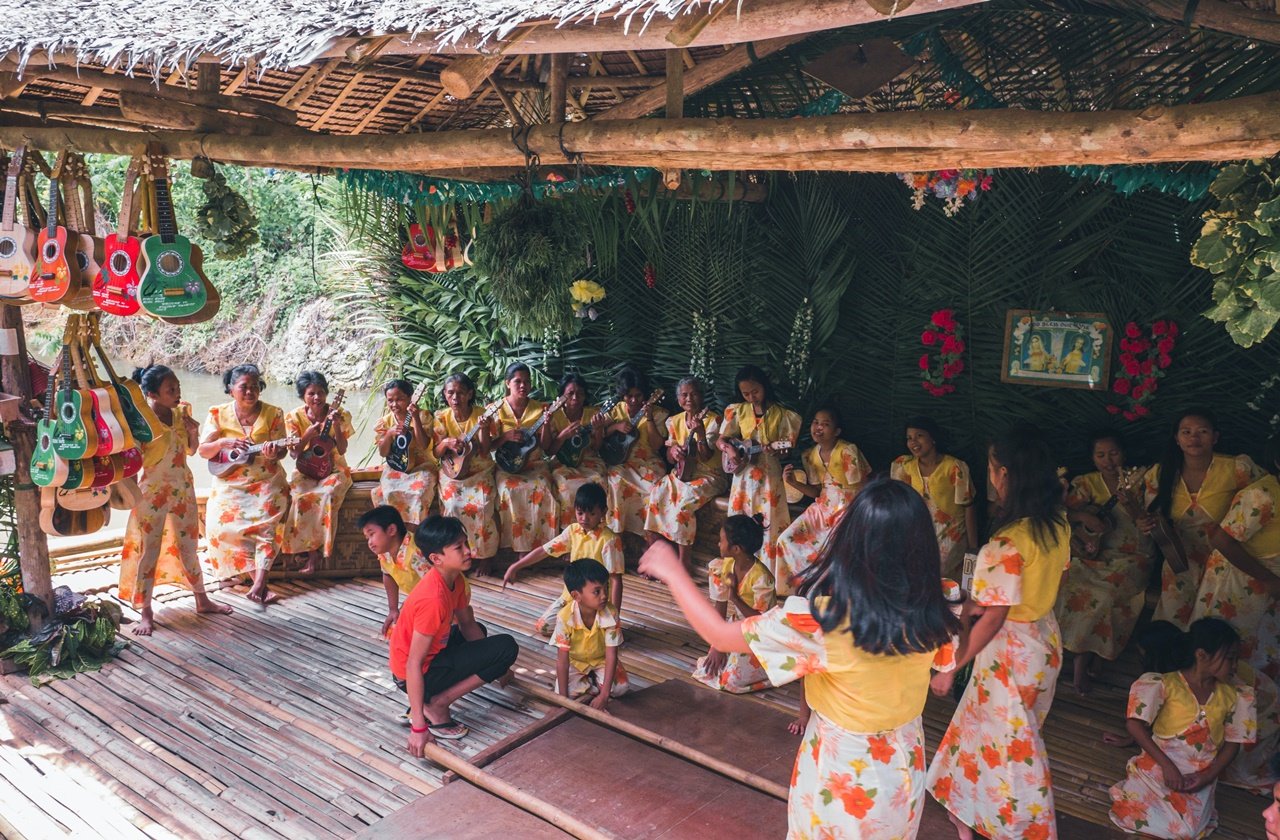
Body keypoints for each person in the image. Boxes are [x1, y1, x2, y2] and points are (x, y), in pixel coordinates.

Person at [640, 478, 960, 839]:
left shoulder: (825, 622)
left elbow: (719, 635)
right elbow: (945, 663)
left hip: (842, 767)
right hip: (902, 765)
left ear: (851, 542)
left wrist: (672, 570)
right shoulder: (938, 603)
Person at [926, 424, 1070, 840]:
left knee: (1011, 746)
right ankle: (965, 809)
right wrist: (976, 604)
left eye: (991, 468)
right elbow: (1028, 590)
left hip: (1008, 652)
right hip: (1043, 642)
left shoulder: (1004, 544)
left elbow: (994, 618)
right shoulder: (1057, 526)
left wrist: (950, 667)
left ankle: (1019, 827)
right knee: (986, 732)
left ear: (1004, 474)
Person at [1109, 618, 1256, 839]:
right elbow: (1135, 724)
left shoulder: (1237, 695)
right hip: (1158, 764)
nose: (1235, 666)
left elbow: (1233, 744)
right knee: (1136, 815)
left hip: (1199, 773)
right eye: (1230, 658)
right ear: (1201, 655)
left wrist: (1208, 776)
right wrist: (1167, 766)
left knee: (1188, 831)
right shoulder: (1164, 684)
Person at [118, 365, 232, 634]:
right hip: (151, 493)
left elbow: (191, 451)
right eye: (171, 389)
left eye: (178, 387)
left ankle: (202, 599)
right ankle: (145, 612)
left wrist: (192, 432)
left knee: (189, 545)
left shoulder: (183, 413)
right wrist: (129, 496)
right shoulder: (140, 421)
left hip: (183, 489)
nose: (177, 393)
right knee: (149, 550)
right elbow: (132, 463)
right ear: (152, 394)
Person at [390, 516, 519, 753]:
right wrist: (418, 728)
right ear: (436, 558)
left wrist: (500, 667)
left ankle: (427, 702)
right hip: (414, 675)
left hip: (430, 661)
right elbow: (413, 664)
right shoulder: (433, 600)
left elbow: (468, 625)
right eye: (458, 548)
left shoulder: (454, 579)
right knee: (507, 646)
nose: (468, 551)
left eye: (465, 544)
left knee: (480, 632)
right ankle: (437, 704)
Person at [1143, 408, 1264, 629]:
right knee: (1173, 620)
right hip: (1180, 559)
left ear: (1215, 437)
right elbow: (1151, 515)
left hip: (1226, 560)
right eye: (1186, 432)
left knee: (1213, 622)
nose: (1194, 438)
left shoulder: (1238, 468)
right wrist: (1144, 523)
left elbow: (1263, 502)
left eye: (1202, 431)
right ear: (1177, 439)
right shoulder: (1160, 473)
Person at [1057, 430, 1153, 694]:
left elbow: (1153, 518)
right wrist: (1084, 519)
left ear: (1124, 453)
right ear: (1093, 458)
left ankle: (1087, 659)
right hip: (1097, 554)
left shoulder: (1142, 480)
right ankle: (1080, 657)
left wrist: (1132, 505)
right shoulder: (1087, 483)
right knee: (1071, 583)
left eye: (1113, 453)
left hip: (1135, 558)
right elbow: (1061, 510)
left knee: (1106, 594)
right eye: (1101, 455)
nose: (1108, 460)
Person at [198, 363, 290, 606]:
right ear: (231, 390)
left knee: (267, 527)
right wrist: (224, 443)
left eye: (255, 387)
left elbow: (281, 452)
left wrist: (273, 454)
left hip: (266, 480)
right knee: (220, 526)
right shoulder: (217, 413)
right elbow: (203, 451)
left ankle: (260, 583)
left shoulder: (274, 414)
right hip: (230, 479)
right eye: (244, 387)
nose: (250, 392)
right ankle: (256, 580)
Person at [1193, 434, 1280, 679]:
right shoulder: (1262, 496)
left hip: (1271, 594)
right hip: (1240, 589)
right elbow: (1221, 539)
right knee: (1226, 655)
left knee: (1263, 656)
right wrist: (1268, 579)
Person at [775, 406, 871, 594]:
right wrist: (793, 482)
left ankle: (825, 594)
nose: (818, 427)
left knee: (831, 551)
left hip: (850, 509)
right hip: (821, 509)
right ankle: (800, 589)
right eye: (816, 422)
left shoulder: (847, 451)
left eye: (825, 424)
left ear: (837, 431)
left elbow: (863, 487)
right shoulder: (809, 456)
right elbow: (816, 492)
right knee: (785, 539)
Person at [717, 364, 801, 576]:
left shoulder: (782, 414)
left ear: (765, 386)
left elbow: (786, 451)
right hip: (743, 475)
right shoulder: (737, 410)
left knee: (769, 519)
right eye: (746, 393)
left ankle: (768, 573)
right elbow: (721, 439)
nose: (751, 397)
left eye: (755, 391)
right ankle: (737, 570)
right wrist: (729, 449)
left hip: (768, 477)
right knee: (739, 518)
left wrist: (777, 451)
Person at [503, 482, 625, 628]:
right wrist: (515, 566)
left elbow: (616, 580)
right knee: (544, 626)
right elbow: (544, 550)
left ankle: (588, 626)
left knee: (591, 633)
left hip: (597, 601)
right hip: (571, 596)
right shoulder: (573, 531)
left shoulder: (610, 540)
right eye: (580, 513)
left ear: (603, 512)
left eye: (591, 514)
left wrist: (614, 619)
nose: (584, 519)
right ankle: (581, 626)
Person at [643, 376, 726, 572]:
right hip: (681, 474)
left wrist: (701, 434)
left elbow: (706, 457)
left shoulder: (714, 420)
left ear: (702, 396)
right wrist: (673, 452)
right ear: (678, 398)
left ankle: (684, 562)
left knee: (683, 505)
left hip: (710, 475)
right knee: (655, 495)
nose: (689, 398)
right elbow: (671, 458)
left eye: (694, 394)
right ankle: (656, 556)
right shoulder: (674, 421)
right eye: (684, 394)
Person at [692, 514, 776, 694]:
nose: (718, 544)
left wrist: (735, 598)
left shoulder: (762, 578)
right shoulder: (723, 566)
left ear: (736, 548)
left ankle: (771, 671)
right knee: (708, 669)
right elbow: (720, 608)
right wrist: (718, 644)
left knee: (730, 682)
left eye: (721, 541)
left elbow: (760, 622)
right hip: (736, 627)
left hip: (759, 634)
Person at [282, 371, 354, 575]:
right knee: (298, 497)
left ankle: (316, 553)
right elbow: (294, 453)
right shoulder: (293, 417)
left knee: (326, 495)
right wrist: (306, 436)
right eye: (311, 393)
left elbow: (342, 449)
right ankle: (301, 551)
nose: (317, 398)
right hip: (306, 468)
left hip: (335, 468)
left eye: (321, 392)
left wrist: (337, 427)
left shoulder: (341, 414)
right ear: (303, 396)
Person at [890, 416, 978, 576]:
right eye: (909, 438)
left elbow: (968, 508)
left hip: (952, 541)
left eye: (919, 436)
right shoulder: (903, 466)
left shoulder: (954, 467)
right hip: (918, 538)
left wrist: (973, 548)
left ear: (933, 437)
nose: (913, 442)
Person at [432, 373, 499, 572]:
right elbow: (436, 453)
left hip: (480, 471)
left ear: (469, 394)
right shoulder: (441, 417)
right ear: (444, 394)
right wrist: (445, 442)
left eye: (460, 393)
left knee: (484, 506)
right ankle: (456, 555)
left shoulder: (482, 415)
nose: (455, 398)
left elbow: (487, 450)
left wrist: (484, 430)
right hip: (451, 472)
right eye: (450, 393)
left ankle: (486, 556)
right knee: (452, 505)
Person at [492, 362, 559, 559]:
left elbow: (547, 447)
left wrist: (546, 425)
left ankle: (540, 550)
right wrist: (505, 437)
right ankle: (515, 548)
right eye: (517, 381)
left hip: (535, 465)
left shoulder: (542, 409)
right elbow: (488, 446)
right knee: (508, 491)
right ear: (507, 383)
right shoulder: (496, 409)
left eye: (527, 382)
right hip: (506, 466)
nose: (523, 386)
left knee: (543, 490)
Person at [551, 558, 629, 710]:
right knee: (564, 692)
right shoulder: (564, 617)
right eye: (597, 591)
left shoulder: (611, 613)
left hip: (601, 660)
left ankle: (594, 684)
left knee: (621, 688)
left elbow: (611, 654)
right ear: (576, 596)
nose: (604, 595)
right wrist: (563, 699)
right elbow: (562, 660)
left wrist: (604, 695)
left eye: (606, 588)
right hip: (576, 662)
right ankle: (591, 682)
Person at [604, 366, 667, 538]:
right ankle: (618, 535)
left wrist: (650, 418)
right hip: (621, 463)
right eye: (628, 396)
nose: (633, 400)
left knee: (655, 488)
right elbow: (599, 434)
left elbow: (656, 445)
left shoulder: (659, 413)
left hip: (649, 463)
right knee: (615, 483)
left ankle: (649, 538)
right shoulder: (617, 410)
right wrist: (616, 426)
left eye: (638, 395)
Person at [372, 378, 436, 526]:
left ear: (411, 397)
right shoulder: (385, 421)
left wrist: (415, 420)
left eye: (399, 399)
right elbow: (383, 453)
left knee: (419, 493)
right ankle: (396, 531)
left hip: (422, 465)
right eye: (390, 400)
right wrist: (389, 434)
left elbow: (425, 444)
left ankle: (417, 531)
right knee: (388, 492)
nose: (394, 404)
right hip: (395, 465)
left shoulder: (423, 416)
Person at [359, 505, 428, 637]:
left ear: (391, 530)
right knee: (395, 632)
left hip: (445, 596)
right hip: (419, 598)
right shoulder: (385, 553)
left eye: (372, 534)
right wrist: (393, 609)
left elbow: (439, 586)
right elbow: (388, 575)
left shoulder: (415, 554)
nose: (369, 542)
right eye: (367, 537)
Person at [548, 372, 606, 529]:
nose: (575, 398)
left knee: (599, 483)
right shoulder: (554, 416)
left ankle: (596, 534)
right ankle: (570, 536)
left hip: (589, 461)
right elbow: (549, 451)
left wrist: (599, 430)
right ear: (562, 397)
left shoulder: (593, 414)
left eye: (580, 394)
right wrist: (562, 436)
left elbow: (596, 448)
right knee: (566, 488)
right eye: (570, 394)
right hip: (562, 462)